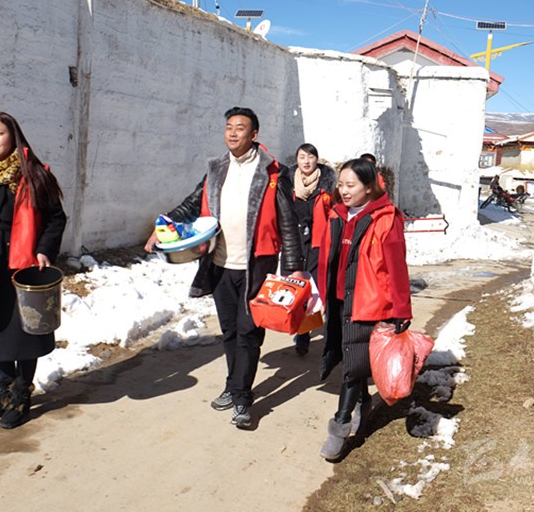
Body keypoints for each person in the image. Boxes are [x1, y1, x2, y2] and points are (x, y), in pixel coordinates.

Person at [144, 107, 304, 429]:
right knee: (230, 330)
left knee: (249, 331)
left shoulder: (273, 173)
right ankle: (233, 385)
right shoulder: (216, 169)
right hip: (219, 264)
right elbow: (192, 203)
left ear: (254, 135)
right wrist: (164, 224)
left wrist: (294, 267)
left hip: (255, 266)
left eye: (240, 128)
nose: (232, 132)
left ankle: (243, 398)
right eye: (229, 127)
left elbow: (288, 222)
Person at [0, 111, 67, 429]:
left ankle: (22, 392)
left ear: (13, 136)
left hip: (22, 262)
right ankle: (6, 385)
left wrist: (45, 250)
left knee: (23, 331)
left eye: (0, 133)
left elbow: (56, 218)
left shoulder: (33, 174)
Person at [316, 157, 412, 460]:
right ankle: (364, 401)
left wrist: (401, 309)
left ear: (369, 187)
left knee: (352, 365)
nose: (344, 191)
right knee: (352, 359)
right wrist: (319, 292)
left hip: (368, 303)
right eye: (341, 185)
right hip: (338, 300)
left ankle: (339, 427)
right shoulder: (337, 214)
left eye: (351, 185)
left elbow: (397, 267)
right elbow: (324, 256)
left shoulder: (386, 218)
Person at [288, 143, 336, 355]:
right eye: (302, 157)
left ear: (317, 159)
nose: (306, 161)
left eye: (310, 157)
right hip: (295, 243)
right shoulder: (288, 184)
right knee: (298, 289)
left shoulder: (327, 185)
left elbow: (335, 212)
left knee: (318, 288)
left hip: (319, 242)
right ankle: (302, 334)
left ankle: (329, 332)